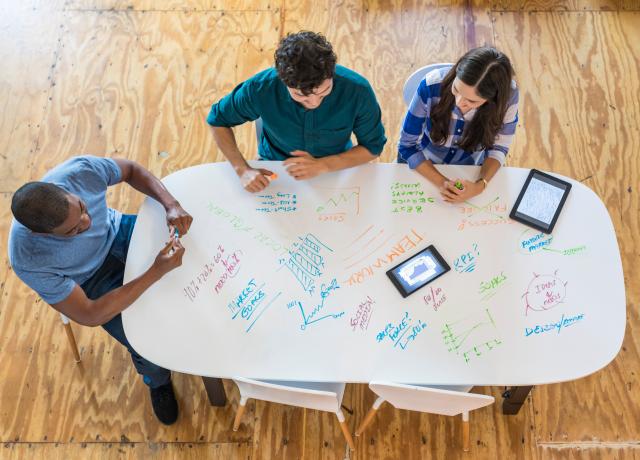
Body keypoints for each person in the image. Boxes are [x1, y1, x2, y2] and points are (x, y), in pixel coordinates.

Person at [8, 155, 193, 425]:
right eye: (73, 230)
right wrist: (155, 272)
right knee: (142, 340)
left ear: (67, 189)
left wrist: (170, 203)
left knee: (195, 262)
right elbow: (90, 314)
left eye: (82, 208)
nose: (88, 222)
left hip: (120, 231)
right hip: (91, 280)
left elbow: (130, 169)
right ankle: (158, 380)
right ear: (40, 235)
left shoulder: (78, 171)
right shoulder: (27, 258)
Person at [207, 31, 387, 193]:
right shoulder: (260, 88)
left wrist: (322, 165)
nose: (314, 103)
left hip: (337, 164)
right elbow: (217, 120)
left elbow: (372, 147)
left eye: (324, 92)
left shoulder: (357, 90)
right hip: (276, 166)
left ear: (331, 73)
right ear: (283, 81)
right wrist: (242, 169)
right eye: (301, 96)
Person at [398, 46, 519, 203]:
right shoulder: (430, 85)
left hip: (470, 169)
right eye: (456, 89)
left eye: (472, 101)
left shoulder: (508, 98)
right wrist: (443, 183)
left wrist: (479, 186)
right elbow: (407, 146)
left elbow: (498, 148)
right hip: (423, 164)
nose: (459, 102)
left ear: (492, 99)